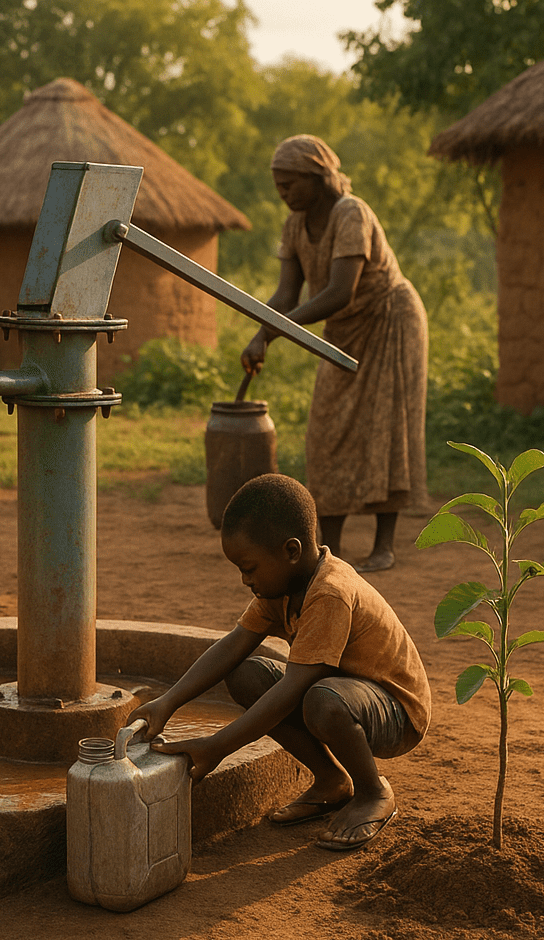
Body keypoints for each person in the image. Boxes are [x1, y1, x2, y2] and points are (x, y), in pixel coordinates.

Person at [139, 474, 430, 853]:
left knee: (320, 700)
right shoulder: (283, 585)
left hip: (397, 712)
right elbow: (234, 646)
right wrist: (168, 701)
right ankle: (330, 781)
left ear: (291, 551)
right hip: (347, 694)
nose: (245, 580)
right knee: (247, 675)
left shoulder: (330, 592)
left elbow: (293, 690)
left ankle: (373, 792)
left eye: (249, 567)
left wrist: (216, 746)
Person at [241, 135, 429, 573]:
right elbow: (287, 293)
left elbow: (340, 291)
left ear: (318, 177)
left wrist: (276, 334)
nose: (283, 195)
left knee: (386, 427)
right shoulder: (294, 226)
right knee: (327, 427)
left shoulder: (352, 213)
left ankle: (384, 545)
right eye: (279, 187)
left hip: (389, 321)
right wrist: (260, 335)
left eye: (290, 185)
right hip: (343, 328)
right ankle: (332, 546)